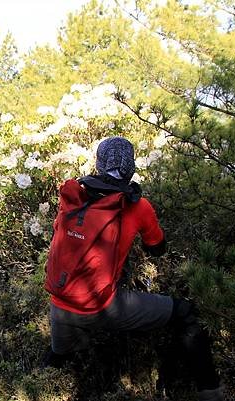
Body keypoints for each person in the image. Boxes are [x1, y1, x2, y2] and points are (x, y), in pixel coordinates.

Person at [42, 137, 225, 401]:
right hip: (103, 306)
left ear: (99, 164)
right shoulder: (138, 206)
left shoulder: (73, 197)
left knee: (60, 355)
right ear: (132, 167)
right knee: (186, 314)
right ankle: (211, 392)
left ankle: (35, 385)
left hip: (60, 304)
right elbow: (156, 248)